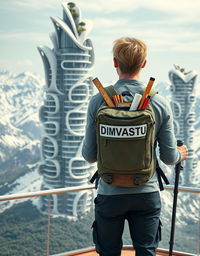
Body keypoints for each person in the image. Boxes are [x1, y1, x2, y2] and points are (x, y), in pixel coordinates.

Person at [82, 37, 188, 256]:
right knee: (146, 251)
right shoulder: (157, 102)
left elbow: (89, 155)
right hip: (146, 193)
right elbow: (169, 157)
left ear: (114, 63)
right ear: (144, 64)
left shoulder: (98, 101)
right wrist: (180, 155)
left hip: (109, 192)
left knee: (108, 252)